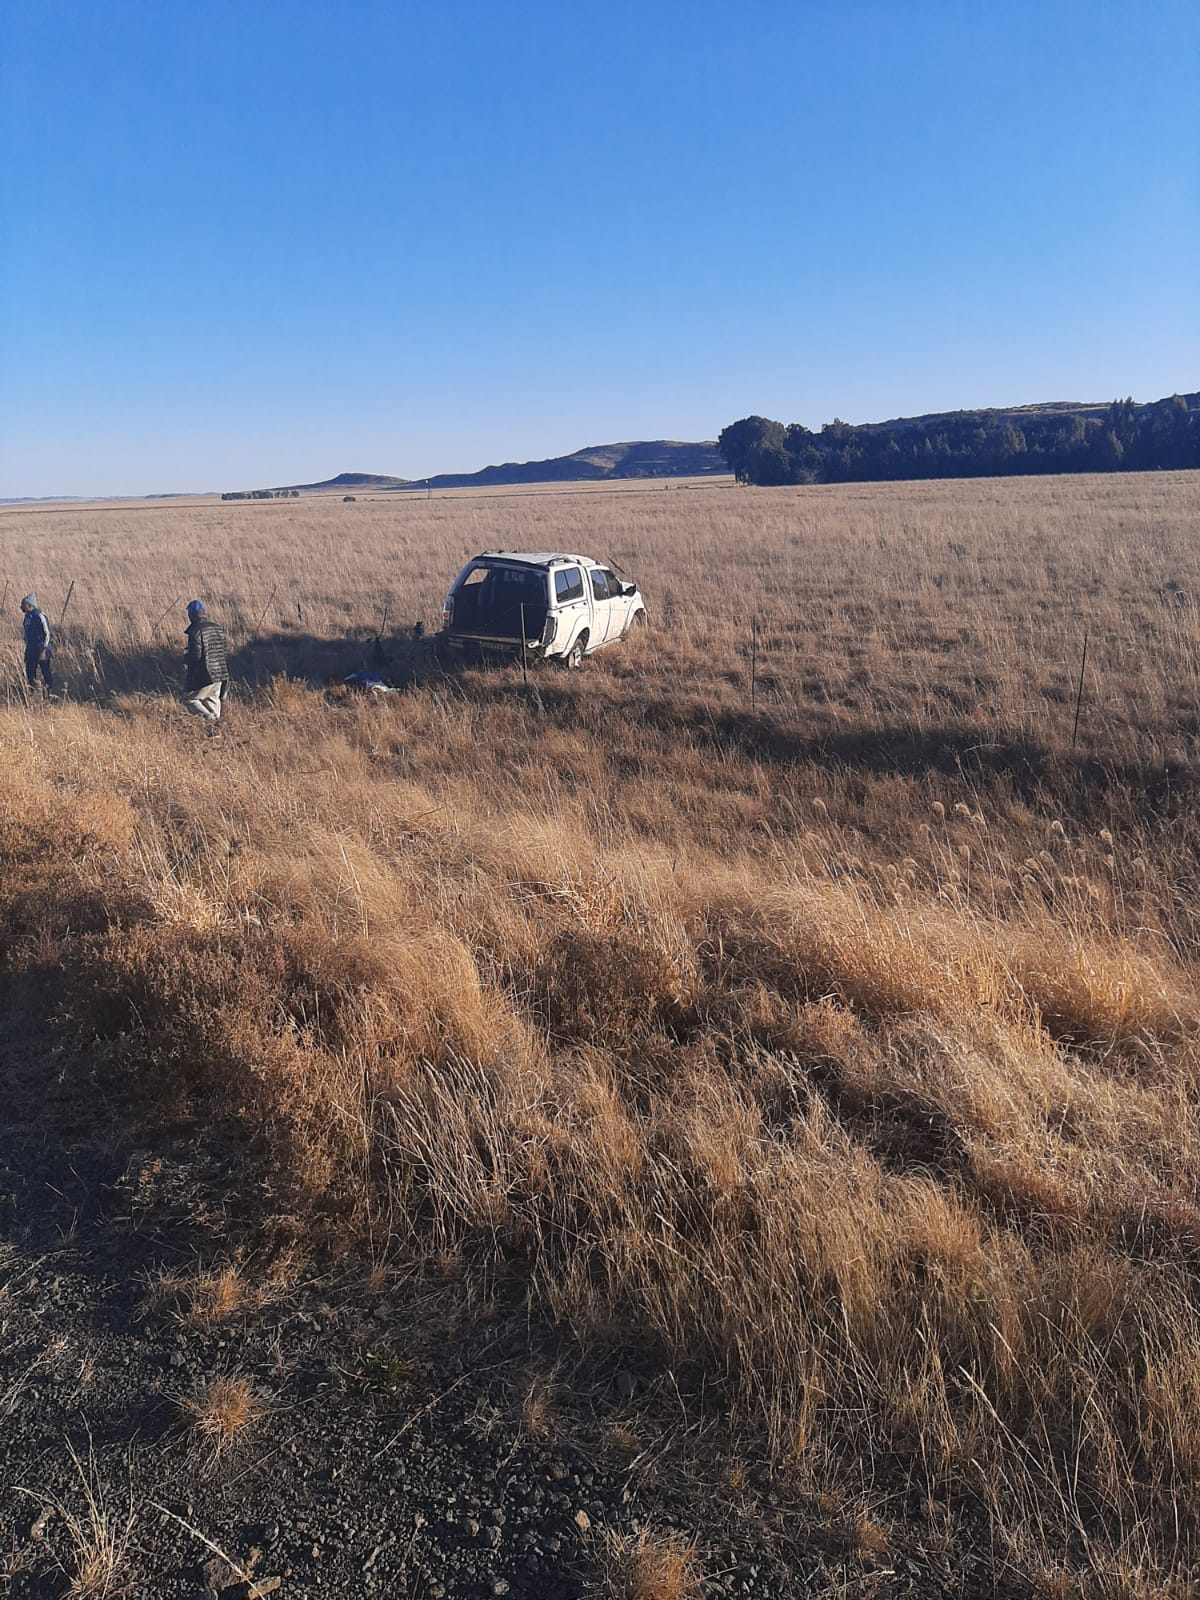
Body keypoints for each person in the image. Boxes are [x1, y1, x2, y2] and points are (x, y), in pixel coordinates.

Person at [182, 599, 230, 722]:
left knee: (189, 699)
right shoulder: (217, 628)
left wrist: (185, 657)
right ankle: (215, 732)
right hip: (220, 673)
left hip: (205, 675)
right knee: (212, 701)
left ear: (191, 615)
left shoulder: (196, 632)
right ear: (203, 613)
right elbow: (223, 650)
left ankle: (210, 720)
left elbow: (195, 657)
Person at [20, 594, 52, 691]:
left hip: (41, 648)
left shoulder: (40, 616)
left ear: (30, 605)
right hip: (30, 648)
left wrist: (44, 649)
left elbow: (47, 634)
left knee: (45, 672)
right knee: (30, 672)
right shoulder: (27, 617)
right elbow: (26, 631)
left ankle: (48, 694)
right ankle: (31, 693)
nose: (21, 607)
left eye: (23, 604)